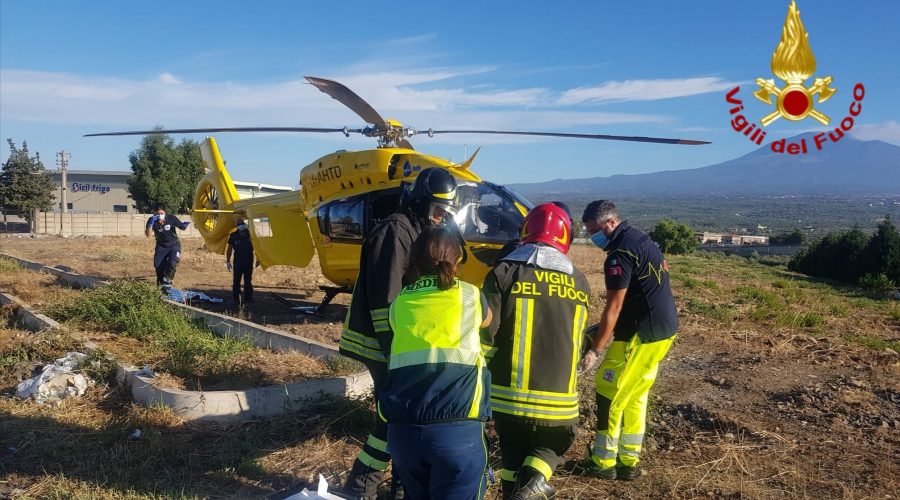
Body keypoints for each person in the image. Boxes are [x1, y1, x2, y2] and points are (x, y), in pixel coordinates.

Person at [340, 167, 459, 499]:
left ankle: (397, 486)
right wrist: (396, 354)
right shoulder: (395, 232)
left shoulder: (414, 231)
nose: (439, 219)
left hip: (397, 344)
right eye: (437, 211)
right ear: (421, 203)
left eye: (445, 213)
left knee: (397, 418)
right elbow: (385, 302)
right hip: (382, 345)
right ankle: (361, 487)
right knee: (393, 417)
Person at [482, 203, 591, 499]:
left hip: (507, 399)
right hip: (560, 403)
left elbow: (484, 335)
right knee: (553, 444)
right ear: (565, 237)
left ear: (525, 231)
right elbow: (579, 339)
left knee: (511, 455)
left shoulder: (504, 272)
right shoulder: (579, 281)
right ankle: (534, 482)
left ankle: (513, 492)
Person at [379, 226, 492, 500]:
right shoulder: (470, 296)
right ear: (457, 260)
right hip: (457, 432)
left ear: (415, 260)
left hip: (403, 434)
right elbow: (488, 321)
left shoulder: (400, 303)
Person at [578, 200, 679, 481]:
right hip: (662, 332)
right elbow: (642, 293)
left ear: (610, 223)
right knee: (635, 395)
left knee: (610, 390)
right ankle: (628, 460)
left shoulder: (619, 253)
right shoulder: (641, 240)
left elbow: (615, 306)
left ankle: (603, 461)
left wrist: (595, 350)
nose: (592, 237)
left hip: (640, 335)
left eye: (594, 230)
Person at [145, 204, 190, 288]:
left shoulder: (171, 218)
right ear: (155, 213)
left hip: (174, 244)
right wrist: (150, 224)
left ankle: (168, 279)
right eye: (158, 214)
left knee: (172, 262)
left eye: (161, 213)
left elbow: (182, 227)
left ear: (165, 213)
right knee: (158, 265)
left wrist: (185, 225)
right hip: (161, 246)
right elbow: (148, 235)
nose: (160, 215)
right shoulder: (152, 220)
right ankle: (160, 286)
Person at [225, 218, 255, 305]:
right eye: (239, 224)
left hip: (249, 260)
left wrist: (259, 259)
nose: (241, 225)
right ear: (236, 226)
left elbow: (257, 247)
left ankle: (248, 299)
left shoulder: (250, 234)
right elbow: (229, 249)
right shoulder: (233, 235)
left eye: (242, 223)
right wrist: (227, 261)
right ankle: (236, 299)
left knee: (248, 281)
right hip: (238, 261)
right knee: (236, 281)